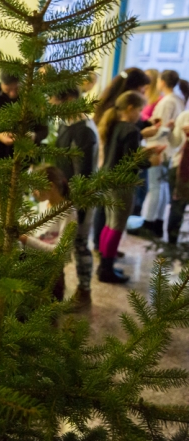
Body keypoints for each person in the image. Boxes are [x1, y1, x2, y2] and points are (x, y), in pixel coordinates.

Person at [96, 91, 164, 283]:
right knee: (117, 226)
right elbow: (131, 162)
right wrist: (152, 161)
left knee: (109, 224)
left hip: (108, 177)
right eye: (140, 110)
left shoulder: (114, 124)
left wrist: (146, 151)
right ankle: (106, 269)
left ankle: (103, 264)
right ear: (130, 108)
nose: (141, 115)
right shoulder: (131, 130)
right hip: (122, 183)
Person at [91, 68, 157, 250]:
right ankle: (105, 254)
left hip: (108, 170)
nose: (143, 93)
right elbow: (130, 157)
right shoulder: (126, 127)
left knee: (109, 219)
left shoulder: (118, 117)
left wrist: (143, 128)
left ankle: (104, 251)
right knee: (112, 220)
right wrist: (149, 158)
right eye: (142, 90)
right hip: (117, 175)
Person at [50, 87, 98, 305]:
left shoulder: (83, 130)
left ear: (68, 98)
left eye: (53, 98)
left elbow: (83, 173)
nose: (50, 102)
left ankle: (85, 289)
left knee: (79, 243)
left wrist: (77, 205)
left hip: (80, 197)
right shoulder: (65, 122)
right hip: (63, 195)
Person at [135, 70, 189, 238]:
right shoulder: (179, 100)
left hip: (159, 147)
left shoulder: (167, 102)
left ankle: (149, 223)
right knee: (162, 187)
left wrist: (154, 129)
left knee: (155, 187)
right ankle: (157, 221)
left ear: (162, 82)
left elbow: (159, 129)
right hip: (170, 149)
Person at [19, 166, 77, 300]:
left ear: (50, 186)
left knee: (48, 309)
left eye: (35, 188)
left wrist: (27, 240)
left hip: (51, 272)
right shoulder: (45, 204)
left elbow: (61, 252)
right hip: (33, 262)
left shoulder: (68, 212)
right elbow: (39, 230)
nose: (33, 193)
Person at [0, 70, 47, 160]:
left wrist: (33, 136)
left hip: (26, 161)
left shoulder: (33, 97)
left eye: (17, 89)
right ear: (1, 83)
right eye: (8, 90)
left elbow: (44, 130)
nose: (12, 94)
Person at [167, 110, 189, 245]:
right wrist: (169, 131)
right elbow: (175, 143)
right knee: (177, 208)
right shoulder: (185, 115)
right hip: (180, 167)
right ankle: (171, 244)